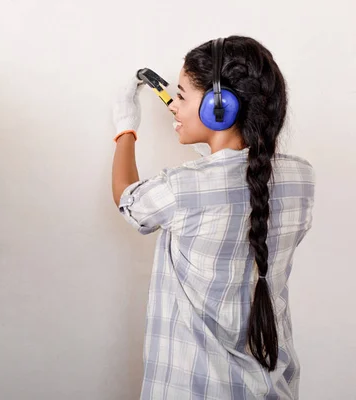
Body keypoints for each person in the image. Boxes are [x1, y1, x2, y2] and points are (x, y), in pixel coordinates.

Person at [111, 36, 315, 399]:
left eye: (183, 96)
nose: (173, 106)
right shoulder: (301, 179)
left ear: (219, 107)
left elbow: (129, 200)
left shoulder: (184, 188)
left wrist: (126, 130)